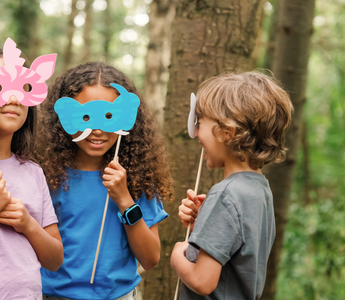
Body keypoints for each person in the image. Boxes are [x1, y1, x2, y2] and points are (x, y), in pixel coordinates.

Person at [38, 62, 174, 300]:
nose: (97, 129)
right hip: (51, 295)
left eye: (109, 116)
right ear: (63, 117)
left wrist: (125, 200)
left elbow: (151, 258)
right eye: (86, 116)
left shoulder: (138, 176)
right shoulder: (45, 174)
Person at [170, 71, 293, 300]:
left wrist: (177, 255)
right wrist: (203, 224)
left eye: (200, 122)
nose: (195, 132)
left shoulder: (225, 195)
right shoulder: (259, 190)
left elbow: (202, 281)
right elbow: (237, 256)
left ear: (227, 132)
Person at [0, 49, 63, 300]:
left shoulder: (33, 173)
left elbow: (55, 259)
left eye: (23, 87)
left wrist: (27, 223)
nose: (14, 98)